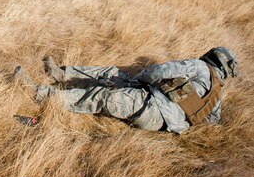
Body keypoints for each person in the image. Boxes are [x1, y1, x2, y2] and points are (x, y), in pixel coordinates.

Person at [13, 47, 238, 134]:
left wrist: (138, 79)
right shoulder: (217, 93)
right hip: (161, 121)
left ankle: (38, 93)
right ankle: (62, 74)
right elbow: (212, 120)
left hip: (150, 107)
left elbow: (162, 70)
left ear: (212, 58)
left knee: (101, 95)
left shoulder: (200, 67)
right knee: (113, 74)